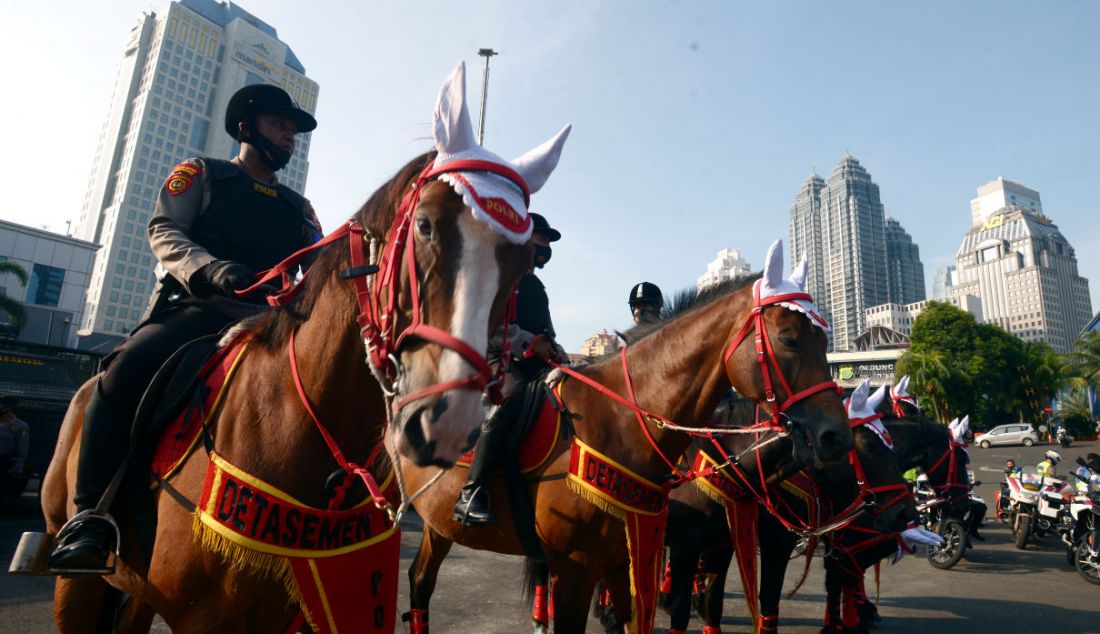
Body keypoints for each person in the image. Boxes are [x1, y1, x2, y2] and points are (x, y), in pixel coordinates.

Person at [48, 84, 321, 574]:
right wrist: (208, 267)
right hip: (200, 311)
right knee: (124, 368)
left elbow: (320, 271)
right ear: (246, 127)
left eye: (293, 130)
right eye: (280, 124)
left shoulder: (300, 208)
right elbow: (163, 229)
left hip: (273, 329)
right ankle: (89, 517)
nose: (290, 136)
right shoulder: (202, 173)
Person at [453, 213, 565, 527]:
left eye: (546, 241)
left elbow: (546, 329)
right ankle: (472, 493)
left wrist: (554, 349)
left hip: (538, 365)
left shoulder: (536, 285)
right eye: (540, 238)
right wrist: (531, 344)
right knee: (509, 399)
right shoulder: (497, 276)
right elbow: (495, 326)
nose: (544, 246)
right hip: (500, 361)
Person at [0, 397, 30, 496]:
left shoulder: (20, 427)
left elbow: (22, 449)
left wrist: (17, 467)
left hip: (4, 459)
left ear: (8, 408)